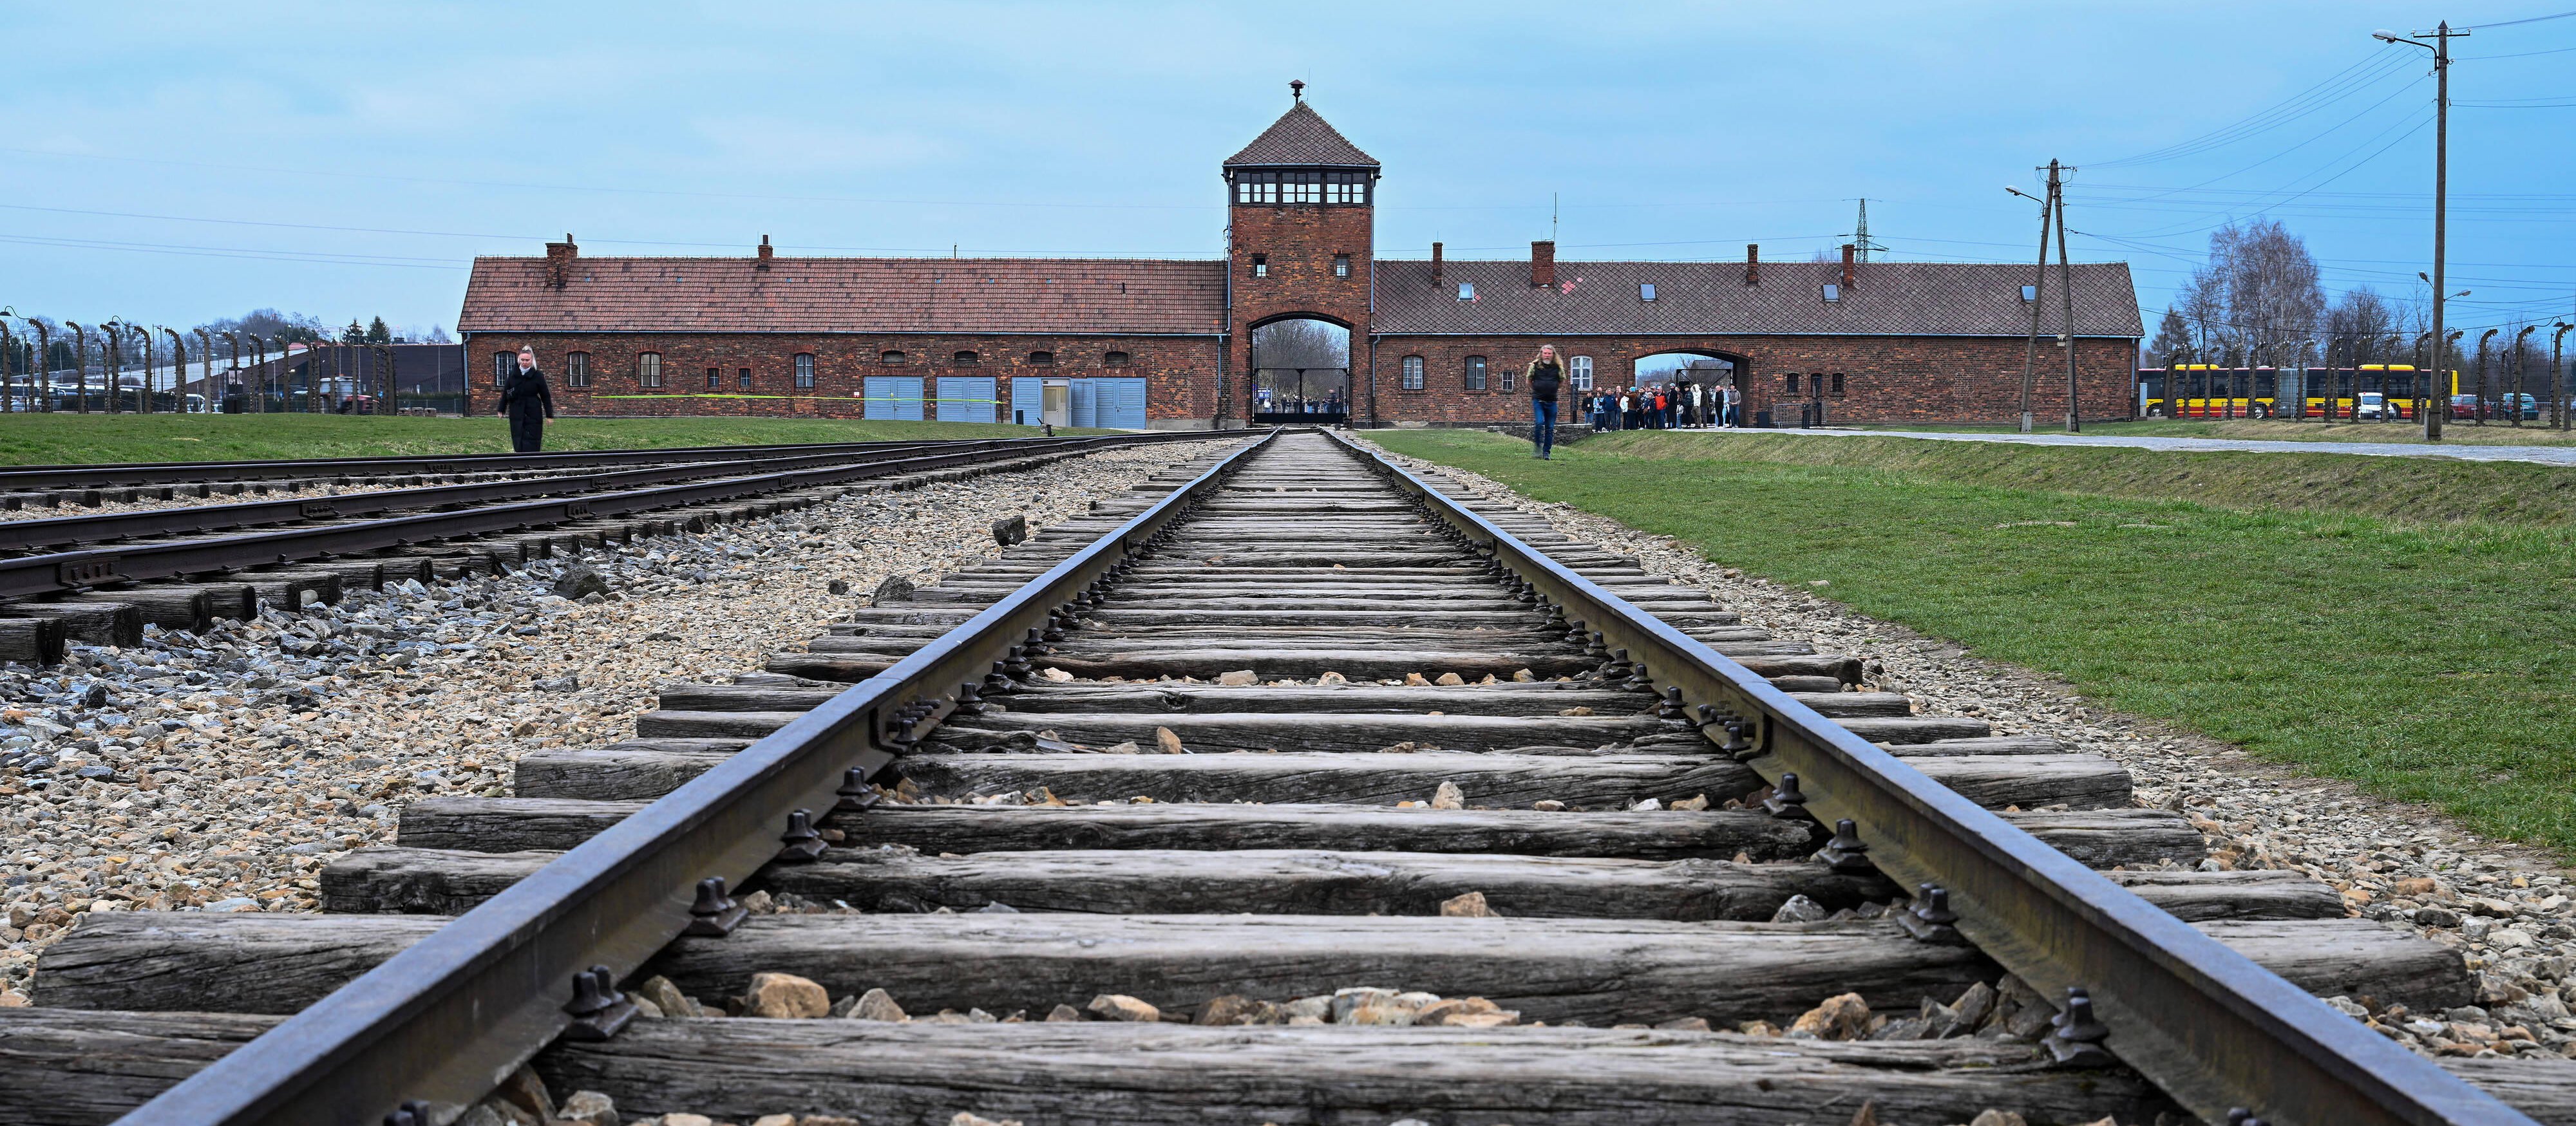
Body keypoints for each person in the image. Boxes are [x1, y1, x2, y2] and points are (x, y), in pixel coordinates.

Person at [498, 345, 555, 453]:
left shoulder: (538, 375)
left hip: (533, 411)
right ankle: (520, 459)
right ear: (519, 360)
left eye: (527, 360)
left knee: (532, 438)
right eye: (522, 360)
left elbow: (545, 396)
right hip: (516, 411)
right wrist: (502, 409)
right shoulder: (513, 374)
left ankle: (532, 461)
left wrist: (549, 415)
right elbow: (506, 391)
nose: (524, 362)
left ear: (532, 360)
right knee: (518, 436)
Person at [1525, 344, 1566, 458]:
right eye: (1545, 353)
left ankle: (1546, 452)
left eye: (1549, 354)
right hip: (1538, 400)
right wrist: (1537, 389)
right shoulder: (1534, 366)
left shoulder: (1558, 367)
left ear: (1553, 355)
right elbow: (1529, 381)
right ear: (1541, 354)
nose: (1547, 356)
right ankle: (1538, 447)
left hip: (1552, 401)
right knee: (1539, 423)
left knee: (1550, 428)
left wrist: (1552, 388)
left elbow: (1561, 382)